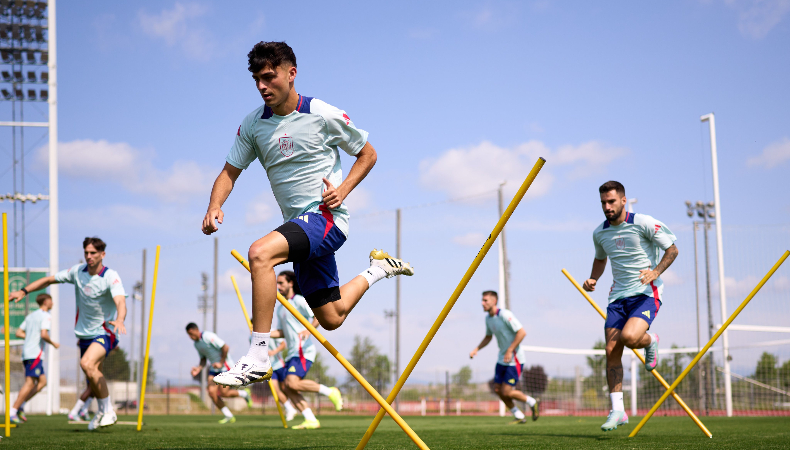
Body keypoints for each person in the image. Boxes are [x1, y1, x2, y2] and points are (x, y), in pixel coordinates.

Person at [201, 41, 414, 388]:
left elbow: (368, 154)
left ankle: (257, 355)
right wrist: (214, 206)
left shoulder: (322, 113)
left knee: (260, 253)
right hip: (300, 227)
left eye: (269, 77)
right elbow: (229, 172)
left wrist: (341, 191)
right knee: (331, 317)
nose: (261, 86)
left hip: (325, 219)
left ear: (291, 73)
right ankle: (378, 269)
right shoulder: (253, 125)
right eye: (256, 79)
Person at [583, 181, 678, 431]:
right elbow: (600, 258)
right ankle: (617, 411)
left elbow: (672, 249)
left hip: (646, 293)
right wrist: (593, 278)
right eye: (603, 202)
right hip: (617, 298)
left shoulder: (643, 223)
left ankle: (651, 340)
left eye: (611, 201)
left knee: (630, 337)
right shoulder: (599, 233)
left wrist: (655, 271)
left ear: (623, 200)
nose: (607, 207)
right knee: (611, 349)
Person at [9, 237, 127, 430]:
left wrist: (120, 319)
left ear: (102, 255)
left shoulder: (111, 276)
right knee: (93, 376)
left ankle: (108, 411)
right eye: (86, 253)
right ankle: (99, 411)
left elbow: (120, 301)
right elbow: (49, 279)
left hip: (106, 331)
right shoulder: (77, 272)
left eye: (93, 253)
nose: (88, 256)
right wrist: (24, 291)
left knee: (87, 364)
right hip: (84, 336)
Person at [270, 271, 343, 429]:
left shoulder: (299, 301)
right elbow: (282, 332)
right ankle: (310, 419)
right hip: (291, 352)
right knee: (287, 387)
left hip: (302, 349)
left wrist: (308, 330)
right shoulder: (281, 308)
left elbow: (317, 315)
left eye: (281, 283)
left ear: (290, 283)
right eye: (277, 283)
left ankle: (330, 392)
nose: (278, 286)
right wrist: (264, 334)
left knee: (292, 383)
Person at [469, 291, 539, 424]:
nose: (482, 303)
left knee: (506, 391)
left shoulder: (505, 314)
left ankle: (532, 401)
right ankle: (518, 415)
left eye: (485, 300)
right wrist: (476, 349)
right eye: (482, 300)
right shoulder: (488, 319)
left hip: (514, 359)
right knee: (497, 390)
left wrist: (510, 350)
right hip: (502, 359)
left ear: (494, 301)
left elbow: (522, 332)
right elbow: (488, 336)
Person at [186, 323, 252, 424]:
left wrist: (221, 362)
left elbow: (225, 347)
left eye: (191, 333)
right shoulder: (196, 344)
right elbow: (203, 359)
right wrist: (198, 368)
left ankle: (244, 394)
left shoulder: (208, 336)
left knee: (224, 393)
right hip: (213, 369)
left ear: (196, 329)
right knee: (212, 393)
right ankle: (228, 415)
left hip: (225, 367)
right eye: (188, 335)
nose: (191, 337)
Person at [9, 293, 60, 423]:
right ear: (46, 301)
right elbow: (44, 334)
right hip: (34, 354)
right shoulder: (46, 316)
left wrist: (31, 337)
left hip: (28, 352)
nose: (53, 303)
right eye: (51, 301)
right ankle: (13, 411)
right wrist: (54, 343)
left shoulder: (31, 316)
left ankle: (20, 406)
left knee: (42, 382)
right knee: (30, 382)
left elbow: (18, 332)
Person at [269, 336, 298, 421]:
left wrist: (274, 351)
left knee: (286, 388)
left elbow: (283, 344)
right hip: (269, 368)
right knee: (276, 391)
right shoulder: (251, 337)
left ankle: (299, 406)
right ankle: (290, 409)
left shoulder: (271, 332)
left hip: (279, 365)